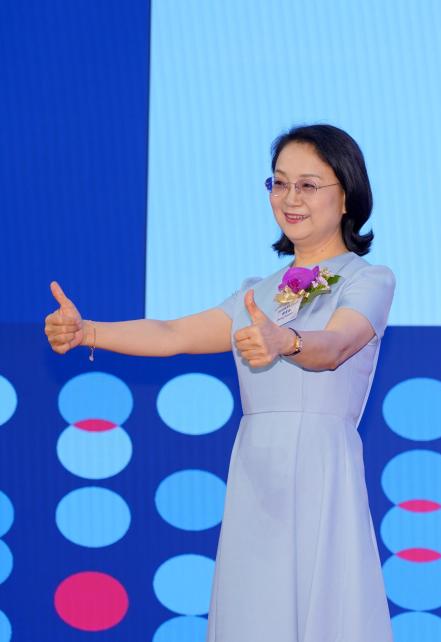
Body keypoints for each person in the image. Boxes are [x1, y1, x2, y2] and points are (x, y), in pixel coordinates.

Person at [44, 125, 396, 641]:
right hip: (257, 465)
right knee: (253, 611)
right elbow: (172, 334)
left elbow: (337, 346)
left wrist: (287, 343)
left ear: (346, 194)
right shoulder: (261, 291)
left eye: (308, 185)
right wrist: (88, 331)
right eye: (278, 184)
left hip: (321, 464)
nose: (289, 199)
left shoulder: (368, 279)